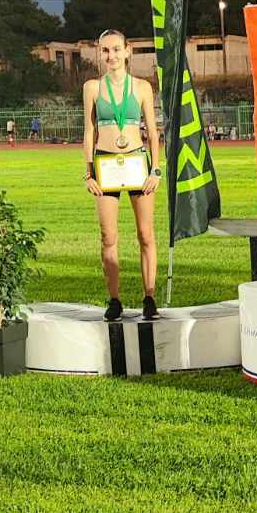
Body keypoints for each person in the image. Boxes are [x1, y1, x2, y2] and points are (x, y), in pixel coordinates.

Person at [83, 28, 162, 321]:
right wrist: (88, 174)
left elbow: (153, 132)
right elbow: (89, 131)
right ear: (99, 52)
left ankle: (149, 297)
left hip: (137, 165)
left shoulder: (141, 87)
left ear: (128, 51)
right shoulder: (92, 87)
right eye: (105, 50)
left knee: (145, 234)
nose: (111, 55)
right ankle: (114, 300)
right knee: (108, 236)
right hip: (106, 167)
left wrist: (156, 170)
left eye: (116, 49)